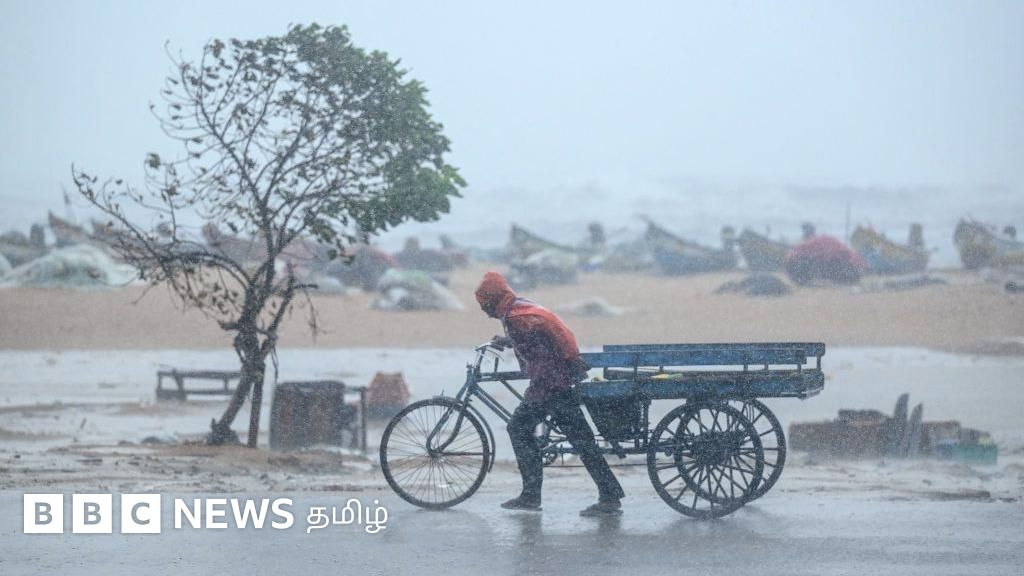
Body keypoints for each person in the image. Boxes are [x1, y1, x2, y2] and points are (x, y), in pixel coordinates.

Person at [474, 271, 625, 516]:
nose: (485, 312)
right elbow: (540, 340)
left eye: (485, 305)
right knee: (582, 441)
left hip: (552, 386)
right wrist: (508, 341)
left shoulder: (515, 319)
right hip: (561, 380)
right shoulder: (519, 308)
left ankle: (531, 495)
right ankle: (609, 494)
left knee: (519, 428)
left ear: (492, 299)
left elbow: (542, 358)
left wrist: (536, 393)